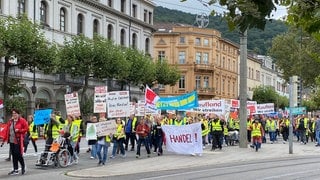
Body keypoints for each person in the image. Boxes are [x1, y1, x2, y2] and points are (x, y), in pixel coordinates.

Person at [1, 109, 28, 175]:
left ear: (18, 114)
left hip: (18, 140)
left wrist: (19, 130)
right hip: (11, 141)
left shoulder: (22, 120)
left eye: (15, 113)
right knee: (13, 155)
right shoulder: (10, 121)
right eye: (13, 113)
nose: (14, 115)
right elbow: (7, 131)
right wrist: (4, 140)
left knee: (18, 154)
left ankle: (23, 166)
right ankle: (15, 169)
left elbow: (26, 128)